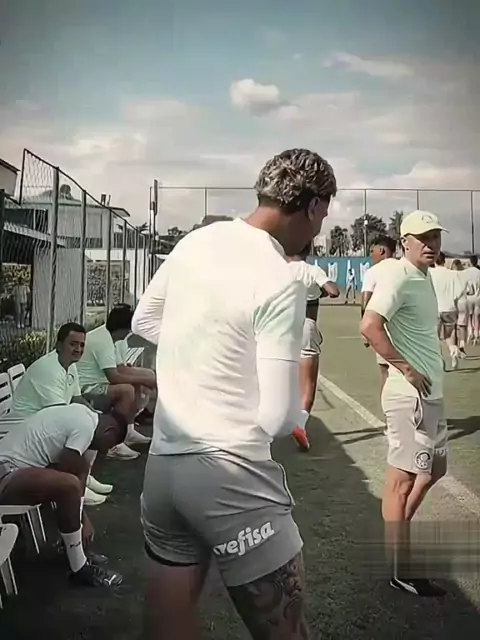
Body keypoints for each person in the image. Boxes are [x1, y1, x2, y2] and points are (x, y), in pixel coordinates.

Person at [132, 148, 337, 639]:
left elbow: (145, 321)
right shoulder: (280, 277)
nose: (320, 226)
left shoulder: (196, 241)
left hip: (163, 470)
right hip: (231, 475)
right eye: (324, 214)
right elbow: (278, 417)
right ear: (311, 206)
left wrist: (211, 355)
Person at [360, 210, 448, 597]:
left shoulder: (424, 276)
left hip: (431, 395)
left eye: (435, 237)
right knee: (403, 481)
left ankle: (401, 535)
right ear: (405, 241)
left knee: (435, 469)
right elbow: (369, 325)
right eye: (422, 238)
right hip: (409, 397)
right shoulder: (397, 275)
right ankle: (400, 567)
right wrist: (407, 368)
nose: (430, 244)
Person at [0, 403, 126, 587]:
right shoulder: (85, 426)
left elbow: (74, 469)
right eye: (109, 445)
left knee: (73, 478)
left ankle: (74, 551)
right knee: (70, 484)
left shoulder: (81, 413)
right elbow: (70, 468)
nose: (104, 450)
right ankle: (79, 569)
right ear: (109, 431)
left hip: (13, 469)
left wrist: (81, 518)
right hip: (5, 471)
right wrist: (81, 521)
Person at [9, 322, 112, 505]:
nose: (78, 349)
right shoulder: (48, 368)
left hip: (42, 420)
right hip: (24, 428)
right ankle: (76, 483)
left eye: (81, 345)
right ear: (58, 345)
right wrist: (89, 421)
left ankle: (83, 477)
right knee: (78, 429)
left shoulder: (70, 364)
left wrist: (94, 416)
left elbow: (76, 398)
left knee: (91, 423)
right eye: (73, 344)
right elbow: (58, 415)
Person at [76, 306, 156, 460]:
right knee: (126, 391)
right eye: (128, 330)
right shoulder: (103, 341)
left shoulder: (107, 336)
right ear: (122, 328)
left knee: (136, 382)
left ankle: (128, 432)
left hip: (97, 383)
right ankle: (113, 443)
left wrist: (145, 378)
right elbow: (114, 377)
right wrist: (146, 380)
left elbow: (120, 369)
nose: (129, 333)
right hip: (86, 389)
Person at [288, 243, 340, 451]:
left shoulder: (278, 269)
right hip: (306, 326)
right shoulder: (312, 270)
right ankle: (300, 425)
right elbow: (334, 291)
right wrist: (320, 292)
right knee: (308, 385)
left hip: (280, 327)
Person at [361, 235, 397, 406]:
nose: (371, 255)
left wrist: (365, 331)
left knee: (386, 373)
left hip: (384, 329)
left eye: (372, 251)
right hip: (407, 329)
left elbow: (365, 300)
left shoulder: (373, 271)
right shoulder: (405, 268)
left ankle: (389, 413)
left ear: (381, 250)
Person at [429, 252, 465, 370]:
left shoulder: (430, 273)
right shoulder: (452, 274)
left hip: (435, 308)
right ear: (444, 261)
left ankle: (440, 359)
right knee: (449, 335)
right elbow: (460, 290)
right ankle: (453, 352)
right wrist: (454, 298)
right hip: (450, 308)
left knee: (435, 336)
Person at [451, 259, 469, 357]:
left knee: (453, 326)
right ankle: (462, 347)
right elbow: (469, 290)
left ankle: (454, 347)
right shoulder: (465, 275)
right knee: (462, 326)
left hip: (452, 301)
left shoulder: (450, 275)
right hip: (463, 301)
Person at [464, 255, 480, 345]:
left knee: (469, 316)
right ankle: (476, 333)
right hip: (478, 297)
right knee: (476, 316)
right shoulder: (479, 272)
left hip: (468, 297)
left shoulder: (466, 272)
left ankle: (470, 332)